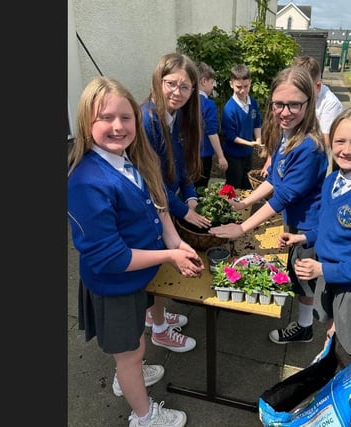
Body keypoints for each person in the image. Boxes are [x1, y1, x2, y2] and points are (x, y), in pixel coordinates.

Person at [68, 76, 203, 427]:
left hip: (134, 279)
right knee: (130, 353)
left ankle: (127, 374)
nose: (118, 126)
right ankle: (144, 416)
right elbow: (110, 258)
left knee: (133, 345)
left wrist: (175, 240)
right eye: (105, 118)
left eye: (126, 117)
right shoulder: (86, 182)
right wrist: (169, 256)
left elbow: (158, 202)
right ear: (86, 123)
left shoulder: (129, 159)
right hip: (116, 284)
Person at [277, 105, 351, 416]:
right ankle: (337, 385)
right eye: (340, 141)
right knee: (331, 331)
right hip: (329, 279)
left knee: (348, 348)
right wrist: (305, 238)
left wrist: (322, 268)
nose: (346, 149)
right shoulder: (333, 182)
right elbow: (328, 227)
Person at [209, 66, 328, 344]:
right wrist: (244, 203)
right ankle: (305, 319)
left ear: (309, 103)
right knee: (298, 272)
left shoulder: (309, 146)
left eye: (294, 104)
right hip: (295, 217)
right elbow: (274, 178)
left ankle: (305, 326)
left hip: (309, 223)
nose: (285, 112)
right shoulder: (287, 134)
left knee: (304, 276)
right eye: (279, 104)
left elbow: (283, 195)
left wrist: (242, 228)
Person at [141, 53, 211, 353]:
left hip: (165, 205)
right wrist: (184, 210)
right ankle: (159, 330)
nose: (177, 92)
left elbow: (179, 165)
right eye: (171, 84)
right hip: (150, 207)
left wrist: (191, 194)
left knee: (159, 268)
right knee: (156, 268)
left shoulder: (177, 115)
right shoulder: (146, 119)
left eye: (185, 87)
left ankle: (155, 313)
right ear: (159, 80)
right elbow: (150, 179)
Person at [260, 55, 343, 177]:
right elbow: (279, 131)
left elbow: (324, 142)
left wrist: (291, 158)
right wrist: (270, 160)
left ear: (317, 86)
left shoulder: (331, 103)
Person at [220, 63, 262, 189]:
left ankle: (244, 207)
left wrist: (258, 140)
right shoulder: (229, 108)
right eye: (238, 87)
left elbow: (257, 122)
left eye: (246, 86)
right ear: (231, 84)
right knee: (233, 185)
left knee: (247, 183)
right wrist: (250, 143)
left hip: (247, 153)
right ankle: (230, 207)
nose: (242, 90)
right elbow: (230, 136)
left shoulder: (253, 103)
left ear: (250, 83)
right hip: (233, 154)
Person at [194, 62, 228, 189]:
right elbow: (212, 132)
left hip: (185, 154)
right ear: (204, 81)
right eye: (212, 83)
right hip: (203, 155)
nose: (212, 87)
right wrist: (221, 156)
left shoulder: (186, 101)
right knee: (200, 190)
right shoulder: (208, 104)